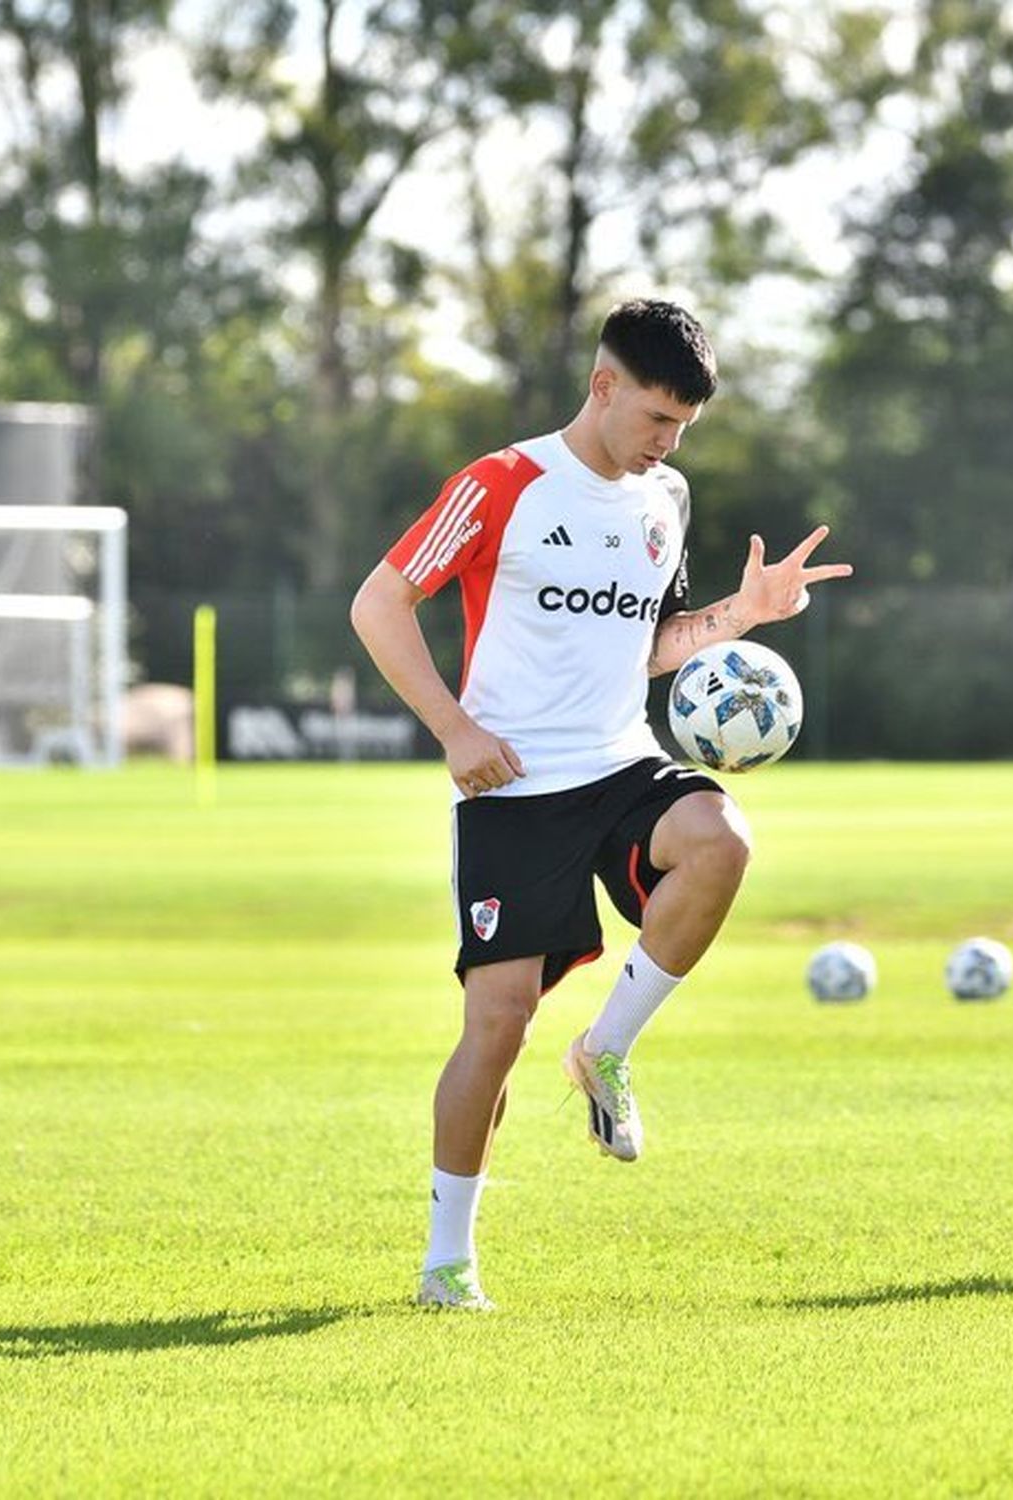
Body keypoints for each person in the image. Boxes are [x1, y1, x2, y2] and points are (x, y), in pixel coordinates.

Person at [350, 298, 852, 1310]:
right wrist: (455, 729)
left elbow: (654, 649)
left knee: (720, 839)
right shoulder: (505, 484)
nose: (668, 444)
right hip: (514, 786)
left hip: (622, 763)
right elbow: (379, 602)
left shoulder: (664, 498)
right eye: (658, 420)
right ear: (604, 386)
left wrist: (743, 616)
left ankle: (608, 1047)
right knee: (494, 1028)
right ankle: (449, 1262)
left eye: (683, 429)